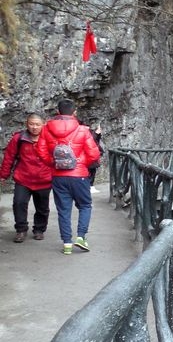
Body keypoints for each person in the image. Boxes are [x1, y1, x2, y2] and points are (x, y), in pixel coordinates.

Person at [36, 99, 101, 255]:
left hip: (58, 177)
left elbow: (41, 151)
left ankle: (66, 244)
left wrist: (54, 163)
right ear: (74, 113)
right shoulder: (83, 130)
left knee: (63, 210)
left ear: (58, 112)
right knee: (85, 206)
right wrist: (80, 162)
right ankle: (81, 237)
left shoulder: (46, 129)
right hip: (79, 176)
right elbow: (94, 154)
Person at [0, 114, 52, 242]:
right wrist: (3, 175)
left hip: (44, 178)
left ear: (43, 124)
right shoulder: (19, 138)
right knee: (18, 203)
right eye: (31, 124)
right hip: (23, 178)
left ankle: (39, 230)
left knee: (42, 207)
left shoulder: (50, 139)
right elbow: (9, 157)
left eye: (37, 124)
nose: (34, 127)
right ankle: (21, 230)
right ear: (26, 124)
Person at [87, 124, 104, 194]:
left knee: (92, 171)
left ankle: (90, 186)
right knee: (90, 172)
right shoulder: (88, 133)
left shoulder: (91, 132)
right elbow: (91, 141)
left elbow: (96, 140)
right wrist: (96, 133)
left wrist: (98, 133)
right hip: (90, 155)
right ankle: (89, 186)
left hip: (93, 155)